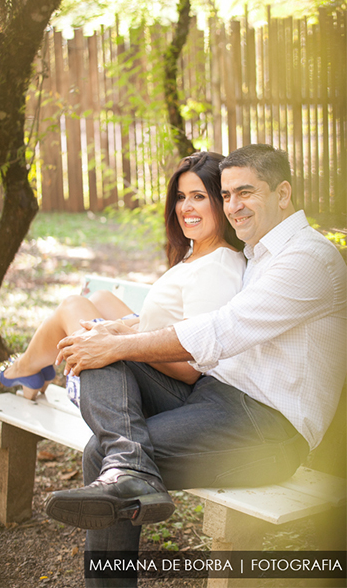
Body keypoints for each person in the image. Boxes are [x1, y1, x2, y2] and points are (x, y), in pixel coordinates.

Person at [47, 144, 347, 587]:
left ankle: (126, 469)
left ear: (283, 193)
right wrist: (112, 336)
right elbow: (202, 325)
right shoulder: (260, 254)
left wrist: (121, 343)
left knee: (99, 447)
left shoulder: (309, 258)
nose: (234, 206)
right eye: (226, 195)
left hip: (269, 428)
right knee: (97, 354)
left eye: (246, 193)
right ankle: (129, 463)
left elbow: (222, 330)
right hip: (217, 398)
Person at [0, 151, 245, 405]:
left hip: (167, 395)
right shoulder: (201, 254)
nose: (185, 207)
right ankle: (32, 368)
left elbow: (190, 369)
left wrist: (118, 342)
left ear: (221, 200)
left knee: (73, 306)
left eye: (198, 197)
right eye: (181, 197)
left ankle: (24, 368)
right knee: (102, 299)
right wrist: (121, 332)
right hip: (157, 372)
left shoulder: (217, 266)